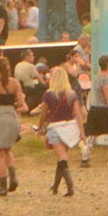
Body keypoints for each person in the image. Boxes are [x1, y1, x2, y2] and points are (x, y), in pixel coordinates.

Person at [39, 66, 83, 197]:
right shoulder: (72, 94)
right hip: (70, 127)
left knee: (62, 157)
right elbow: (78, 113)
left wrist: (41, 127)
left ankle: (70, 185)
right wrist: (82, 131)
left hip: (55, 128)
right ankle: (55, 186)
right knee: (61, 158)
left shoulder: (48, 94)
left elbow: (43, 113)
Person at [0, 57, 23, 195]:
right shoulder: (15, 83)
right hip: (11, 116)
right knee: (7, 149)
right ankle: (13, 176)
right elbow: (21, 103)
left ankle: (2, 185)